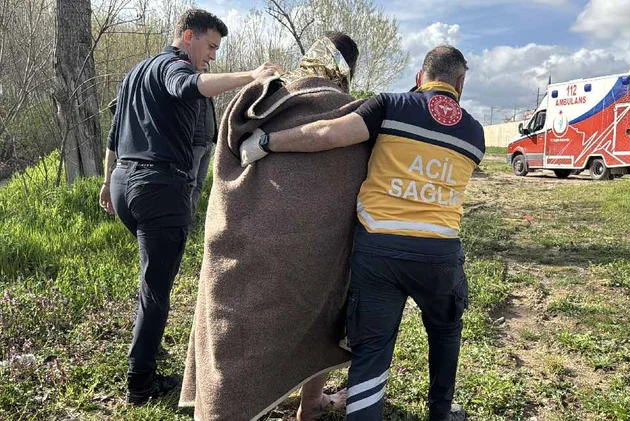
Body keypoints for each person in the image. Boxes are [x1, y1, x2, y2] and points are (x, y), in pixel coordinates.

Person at [241, 45, 483, 421]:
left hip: (380, 251)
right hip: (440, 254)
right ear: (461, 83)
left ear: (420, 78)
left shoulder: (391, 106)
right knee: (446, 332)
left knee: (373, 351)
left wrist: (267, 142)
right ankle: (440, 411)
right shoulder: (475, 134)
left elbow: (326, 134)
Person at [179, 33, 368, 421]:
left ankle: (223, 406)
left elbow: (226, 165)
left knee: (234, 325)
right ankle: (309, 402)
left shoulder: (258, 100)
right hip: (312, 255)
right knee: (321, 316)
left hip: (235, 235)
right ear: (348, 69)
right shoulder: (352, 114)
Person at [97, 8, 278, 406]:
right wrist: (253, 76)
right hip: (159, 186)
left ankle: (148, 344)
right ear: (187, 35)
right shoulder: (173, 67)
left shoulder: (135, 73)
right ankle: (140, 383)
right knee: (155, 290)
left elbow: (113, 135)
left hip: (126, 183)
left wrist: (108, 182)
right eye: (210, 46)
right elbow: (189, 87)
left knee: (152, 277)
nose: (212, 55)